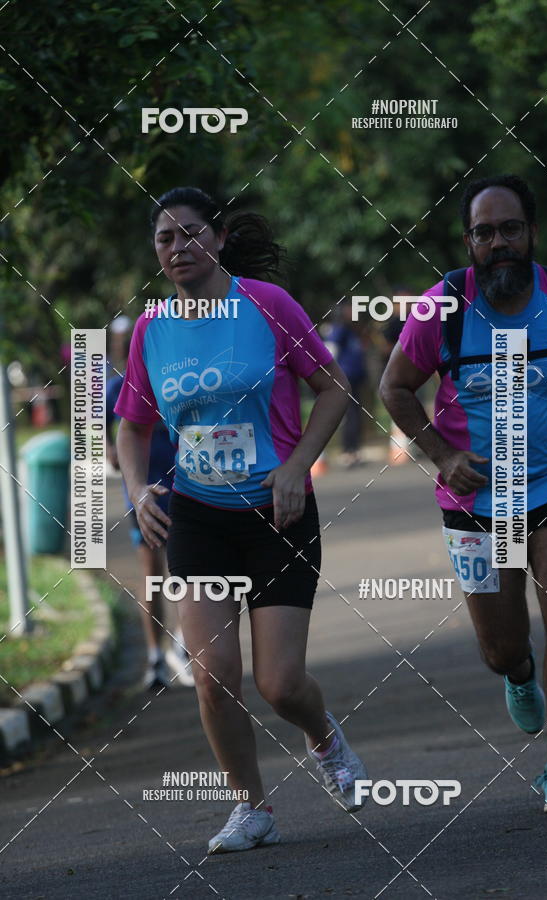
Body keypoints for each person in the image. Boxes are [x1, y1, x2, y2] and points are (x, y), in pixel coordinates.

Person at [114, 186, 368, 853]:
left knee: (280, 684)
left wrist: (297, 468)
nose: (179, 248)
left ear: (219, 238)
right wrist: (138, 490)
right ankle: (251, 808)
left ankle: (324, 737)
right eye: (166, 239)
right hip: (197, 516)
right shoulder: (151, 330)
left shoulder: (267, 305)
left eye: (191, 233)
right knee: (212, 674)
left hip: (278, 514)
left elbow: (334, 390)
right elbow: (132, 427)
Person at [380, 174, 547, 814]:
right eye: (484, 232)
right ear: (468, 241)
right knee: (502, 648)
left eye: (510, 229)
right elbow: (395, 388)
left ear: (531, 232)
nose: (498, 243)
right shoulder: (440, 307)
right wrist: (443, 457)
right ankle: (521, 674)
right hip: (480, 504)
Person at [106, 330, 194, 690]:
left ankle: (184, 646)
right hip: (143, 495)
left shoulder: (173, 378)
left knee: (188, 573)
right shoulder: (116, 388)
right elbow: (102, 436)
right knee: (153, 574)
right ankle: (156, 659)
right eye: (123, 345)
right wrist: (112, 453)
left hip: (186, 488)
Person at [328, 301, 369, 466]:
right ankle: (347, 450)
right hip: (344, 378)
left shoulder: (354, 331)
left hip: (356, 378)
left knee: (356, 415)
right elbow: (330, 351)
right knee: (349, 416)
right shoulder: (339, 330)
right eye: (349, 309)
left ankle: (355, 449)